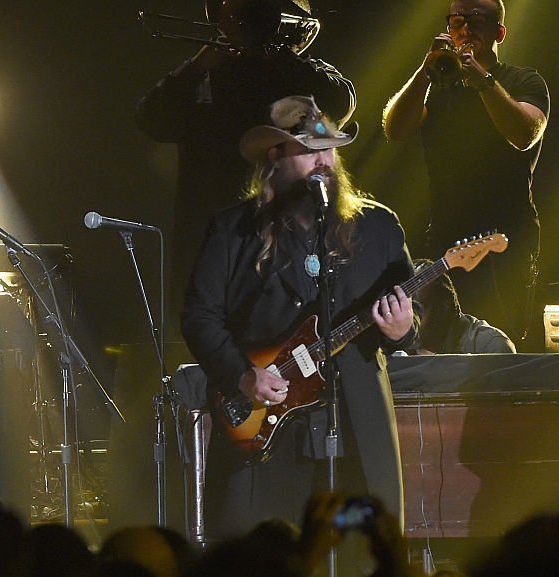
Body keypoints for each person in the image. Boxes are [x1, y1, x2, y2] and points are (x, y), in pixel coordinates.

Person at [182, 95, 417, 543]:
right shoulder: (234, 230)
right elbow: (199, 315)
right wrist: (241, 375)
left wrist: (402, 329)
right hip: (266, 418)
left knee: (364, 552)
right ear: (276, 157)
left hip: (354, 419)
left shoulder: (378, 227)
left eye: (329, 149)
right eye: (309, 150)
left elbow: (410, 316)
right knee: (259, 559)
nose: (324, 160)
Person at [136, 0, 356, 318]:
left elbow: (340, 106)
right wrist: (197, 67)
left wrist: (282, 56)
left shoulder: (291, 68)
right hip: (208, 236)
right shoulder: (202, 71)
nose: (244, 16)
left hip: (284, 237)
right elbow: (150, 120)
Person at [383, 0, 548, 348]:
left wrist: (483, 82)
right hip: (447, 234)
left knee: (503, 341)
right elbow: (395, 129)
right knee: (441, 341)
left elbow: (525, 135)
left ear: (499, 32)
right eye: (457, 21)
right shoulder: (440, 83)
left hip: (508, 238)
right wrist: (424, 71)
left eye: (477, 22)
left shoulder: (523, 79)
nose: (465, 30)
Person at [409, 258, 516, 353]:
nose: (404, 321)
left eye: (415, 311)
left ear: (443, 308)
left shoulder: (489, 346)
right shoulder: (397, 347)